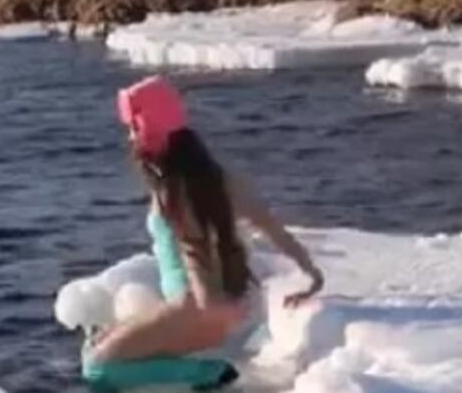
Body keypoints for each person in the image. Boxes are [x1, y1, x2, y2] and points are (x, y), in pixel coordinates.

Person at [90, 75, 324, 365]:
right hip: (209, 304)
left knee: (100, 364)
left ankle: (213, 376)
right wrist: (312, 273)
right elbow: (270, 226)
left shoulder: (175, 191)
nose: (130, 138)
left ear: (153, 127)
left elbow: (194, 248)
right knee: (99, 341)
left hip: (195, 308)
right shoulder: (216, 177)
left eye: (134, 128)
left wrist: (208, 308)